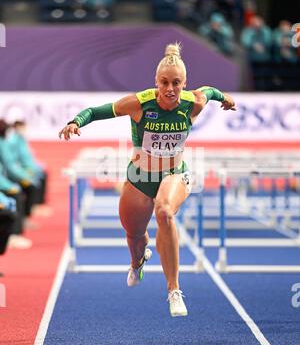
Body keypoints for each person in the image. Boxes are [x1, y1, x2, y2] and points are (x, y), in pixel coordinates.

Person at [59, 43, 236, 317]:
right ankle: (137, 261)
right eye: (164, 83)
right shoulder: (139, 103)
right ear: (156, 82)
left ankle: (173, 290)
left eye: (176, 83)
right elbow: (95, 112)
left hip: (174, 174)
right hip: (140, 177)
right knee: (134, 236)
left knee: (164, 212)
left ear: (184, 84)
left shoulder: (194, 102)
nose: (170, 89)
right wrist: (75, 122)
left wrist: (225, 98)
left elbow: (209, 92)